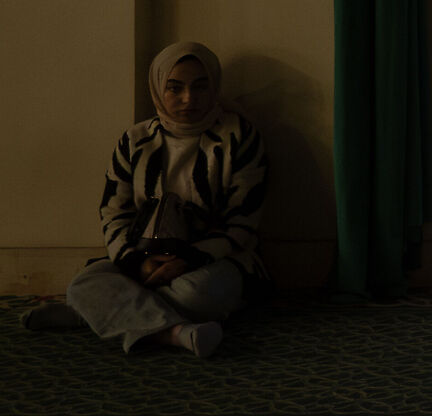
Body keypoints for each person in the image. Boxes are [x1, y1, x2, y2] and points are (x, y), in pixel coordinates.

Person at [25, 42, 264, 356]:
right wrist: (137, 263)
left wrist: (188, 260)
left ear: (214, 86)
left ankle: (95, 313)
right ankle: (176, 334)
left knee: (197, 294)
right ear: (157, 89)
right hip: (142, 259)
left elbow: (241, 222)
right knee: (84, 283)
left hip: (214, 261)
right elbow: (114, 213)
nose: (188, 99)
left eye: (200, 87)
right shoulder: (135, 141)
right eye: (175, 88)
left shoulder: (239, 137)